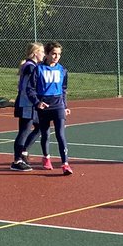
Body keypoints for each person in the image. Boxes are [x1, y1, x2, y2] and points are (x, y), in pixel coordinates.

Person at [34, 41, 72, 174]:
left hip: (58, 105)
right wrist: (37, 102)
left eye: (59, 54)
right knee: (45, 133)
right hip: (44, 105)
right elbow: (30, 89)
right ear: (47, 54)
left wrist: (65, 105)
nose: (56, 57)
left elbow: (64, 89)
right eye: (54, 54)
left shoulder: (62, 70)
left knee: (60, 134)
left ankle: (65, 164)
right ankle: (46, 158)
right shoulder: (38, 69)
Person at [11, 42, 45, 170]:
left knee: (40, 127)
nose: (44, 54)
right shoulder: (30, 67)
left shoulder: (32, 66)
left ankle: (24, 151)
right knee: (24, 131)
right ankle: (17, 161)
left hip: (32, 103)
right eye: (42, 51)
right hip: (26, 103)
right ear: (35, 53)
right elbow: (29, 88)